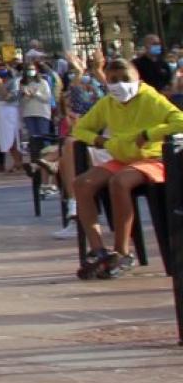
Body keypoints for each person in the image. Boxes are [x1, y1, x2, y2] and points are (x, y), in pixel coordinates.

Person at [57, 58, 183, 278]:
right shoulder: (107, 103)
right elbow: (80, 130)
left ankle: (122, 251)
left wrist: (149, 134)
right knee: (82, 184)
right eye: (113, 80)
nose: (120, 84)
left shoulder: (151, 98)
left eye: (125, 79)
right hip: (121, 158)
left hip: (151, 159)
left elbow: (180, 120)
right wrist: (100, 141)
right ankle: (98, 250)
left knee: (120, 182)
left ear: (137, 78)